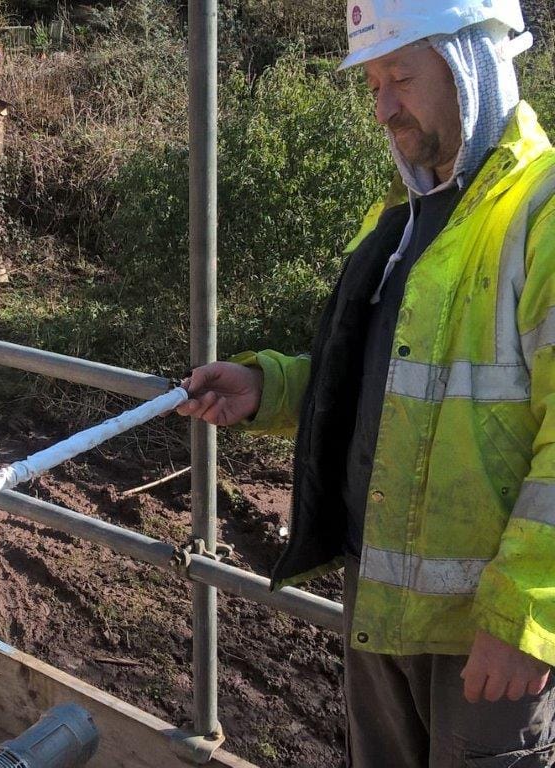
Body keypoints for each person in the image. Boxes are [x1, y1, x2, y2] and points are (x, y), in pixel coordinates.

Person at [178, 1, 555, 765]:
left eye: (401, 77)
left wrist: (525, 621)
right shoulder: (403, 217)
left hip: (483, 639)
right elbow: (386, 374)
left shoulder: (541, 212)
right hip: (378, 604)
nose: (382, 107)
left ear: (473, 64)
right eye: (373, 81)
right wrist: (271, 389)